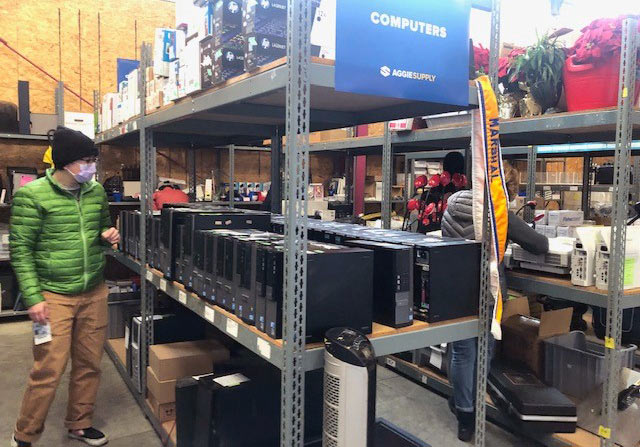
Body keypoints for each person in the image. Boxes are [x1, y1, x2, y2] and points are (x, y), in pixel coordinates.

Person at [10, 126, 119, 447]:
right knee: (48, 369)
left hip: (93, 291)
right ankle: (25, 434)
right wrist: (33, 297)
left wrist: (108, 237)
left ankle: (80, 424)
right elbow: (21, 250)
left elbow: (103, 229)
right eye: (87, 160)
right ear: (66, 163)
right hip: (52, 296)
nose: (92, 167)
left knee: (89, 364)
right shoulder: (32, 195)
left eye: (94, 160)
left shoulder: (96, 192)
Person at [441, 161, 548, 442]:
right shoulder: (497, 211)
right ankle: (470, 411)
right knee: (483, 350)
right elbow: (539, 245)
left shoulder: (453, 202)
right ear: (506, 187)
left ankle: (461, 406)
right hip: (484, 290)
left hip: (450, 287)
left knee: (460, 350)